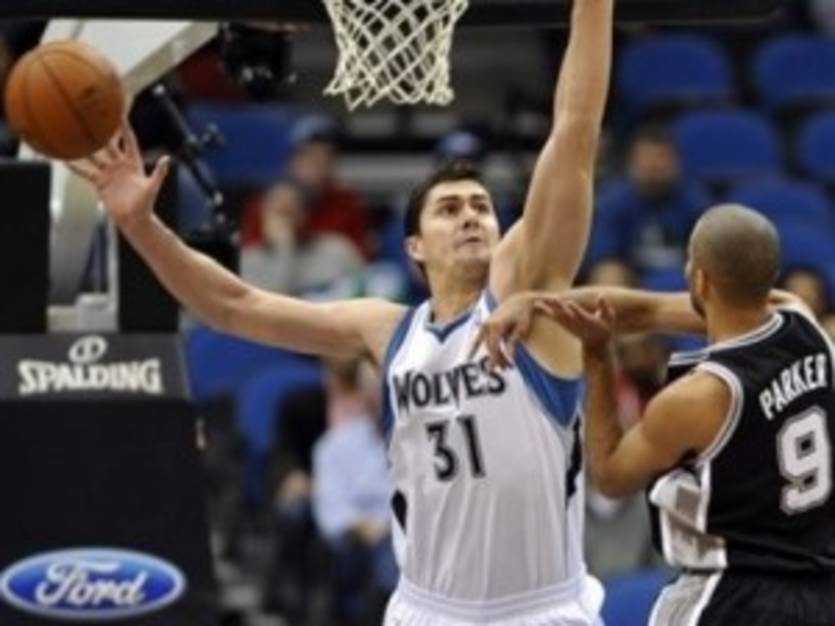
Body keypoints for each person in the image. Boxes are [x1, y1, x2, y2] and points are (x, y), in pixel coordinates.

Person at [68, 0, 614, 622]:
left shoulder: (532, 302)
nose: (470, 216)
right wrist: (140, 226)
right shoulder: (387, 331)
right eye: (449, 209)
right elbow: (232, 306)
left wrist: (593, 7)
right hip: (427, 610)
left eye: (481, 207)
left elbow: (574, 132)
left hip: (540, 610)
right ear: (414, 247)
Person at [477, 204, 835, 625]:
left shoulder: (700, 396)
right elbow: (645, 310)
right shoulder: (804, 321)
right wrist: (535, 304)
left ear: (700, 279)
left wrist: (597, 355)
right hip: (820, 591)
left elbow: (610, 476)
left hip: (730, 597)